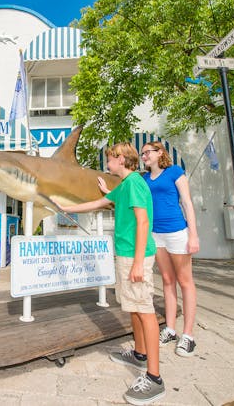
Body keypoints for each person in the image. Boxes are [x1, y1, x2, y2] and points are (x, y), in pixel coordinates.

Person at [56, 142, 164, 405]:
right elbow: (100, 201)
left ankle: (154, 377)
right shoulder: (124, 185)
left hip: (135, 256)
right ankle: (139, 354)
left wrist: (138, 262)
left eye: (110, 158)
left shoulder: (136, 182)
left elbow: (143, 221)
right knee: (133, 308)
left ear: (121, 159)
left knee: (144, 310)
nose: (107, 162)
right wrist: (68, 208)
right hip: (126, 254)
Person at [140, 141, 199, 357]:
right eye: (142, 153)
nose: (144, 155)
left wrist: (193, 234)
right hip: (156, 234)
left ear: (160, 153)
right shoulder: (144, 179)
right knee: (166, 280)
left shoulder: (174, 171)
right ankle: (171, 329)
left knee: (185, 281)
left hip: (176, 232)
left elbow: (187, 203)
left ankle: (188, 335)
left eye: (148, 152)